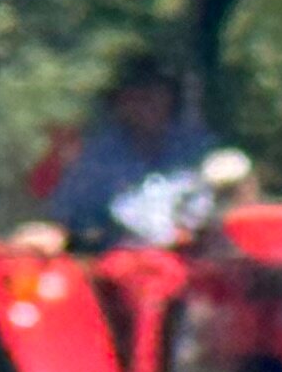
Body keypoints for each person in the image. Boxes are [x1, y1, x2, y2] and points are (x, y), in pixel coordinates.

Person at [44, 57, 222, 249]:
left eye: (155, 93)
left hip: (194, 261)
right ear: (118, 102)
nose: (146, 105)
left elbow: (222, 207)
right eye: (136, 96)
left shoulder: (199, 149)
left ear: (171, 97)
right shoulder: (95, 156)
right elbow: (66, 217)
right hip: (117, 261)